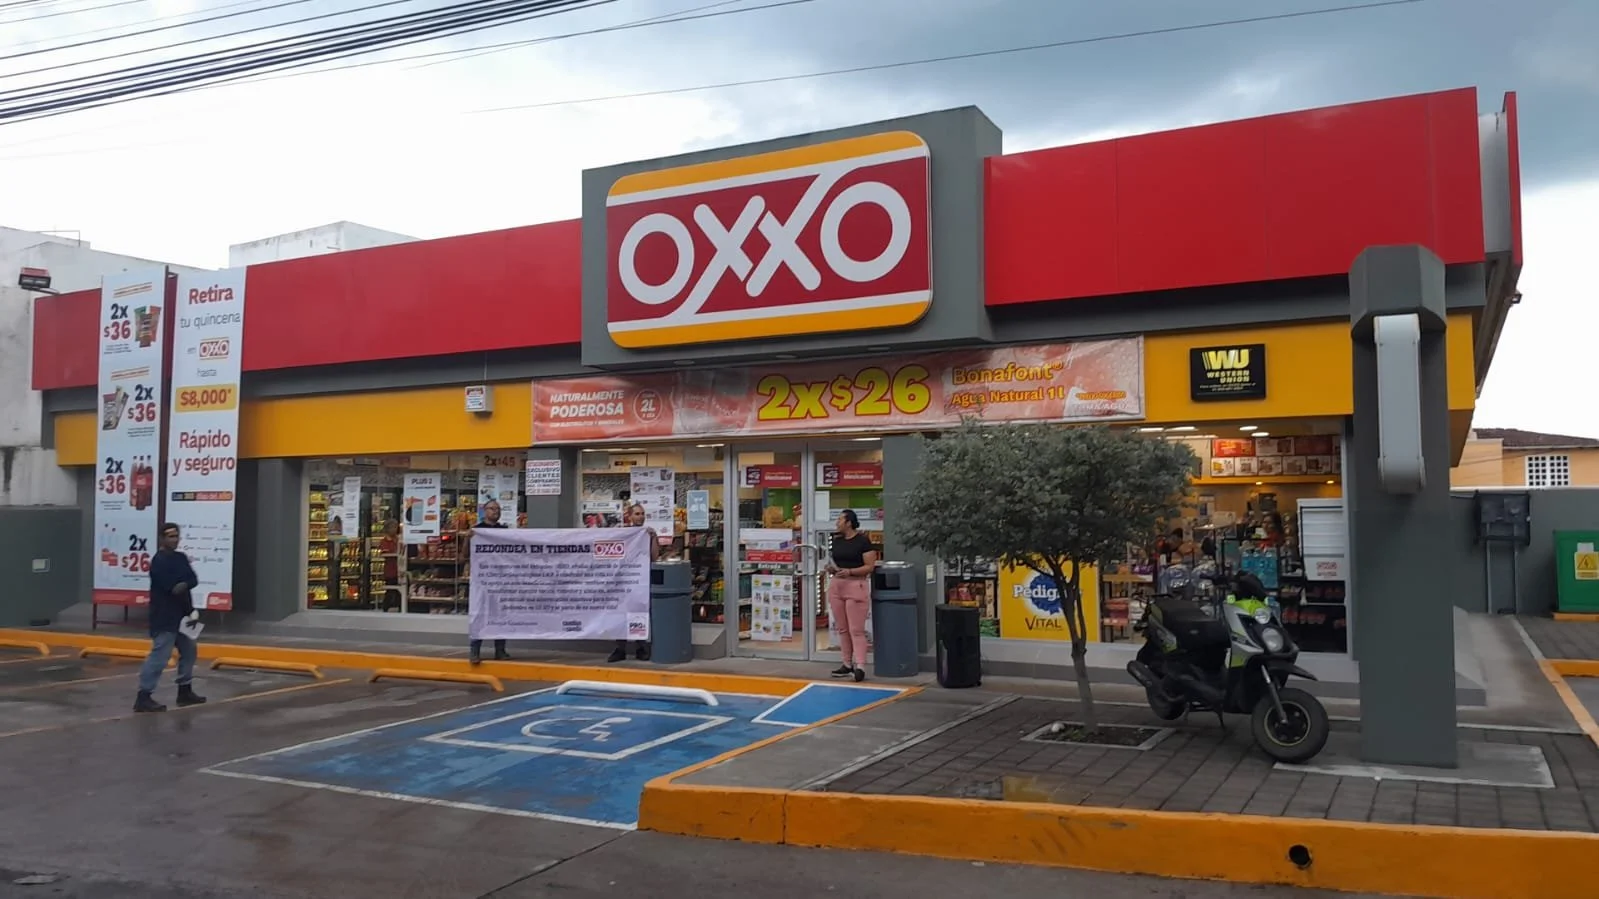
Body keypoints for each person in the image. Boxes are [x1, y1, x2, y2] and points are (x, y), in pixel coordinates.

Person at [134, 522, 206, 713]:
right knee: (160, 657)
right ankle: (144, 696)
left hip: (184, 616)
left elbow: (193, 579)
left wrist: (185, 586)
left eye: (176, 536)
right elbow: (172, 587)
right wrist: (183, 583)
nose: (174, 539)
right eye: (170, 536)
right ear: (162, 538)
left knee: (190, 652)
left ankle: (185, 691)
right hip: (165, 617)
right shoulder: (159, 561)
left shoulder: (181, 558)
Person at [825, 509, 877, 682]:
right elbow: (836, 561)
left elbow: (869, 566)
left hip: (856, 585)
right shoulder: (837, 540)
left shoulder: (863, 541)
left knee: (856, 629)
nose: (837, 523)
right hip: (837, 585)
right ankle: (847, 664)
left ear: (849, 522)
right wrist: (832, 569)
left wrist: (850, 571)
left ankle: (860, 665)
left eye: (840, 520)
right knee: (843, 628)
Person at [609, 502, 658, 663]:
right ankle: (620, 648)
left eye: (642, 513)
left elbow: (654, 557)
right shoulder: (622, 533)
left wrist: (654, 538)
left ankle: (640, 647)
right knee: (620, 614)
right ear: (629, 516)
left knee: (638, 611)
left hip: (639, 579)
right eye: (637, 514)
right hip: (622, 580)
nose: (641, 517)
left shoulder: (647, 534)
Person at [467, 500, 511, 665]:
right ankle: (475, 651)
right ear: (484, 511)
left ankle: (500, 650)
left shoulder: (504, 531)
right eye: (492, 509)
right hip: (482, 581)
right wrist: (467, 539)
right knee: (479, 614)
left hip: (500, 580)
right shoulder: (477, 531)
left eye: (498, 509)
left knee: (501, 615)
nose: (496, 512)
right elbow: (465, 555)